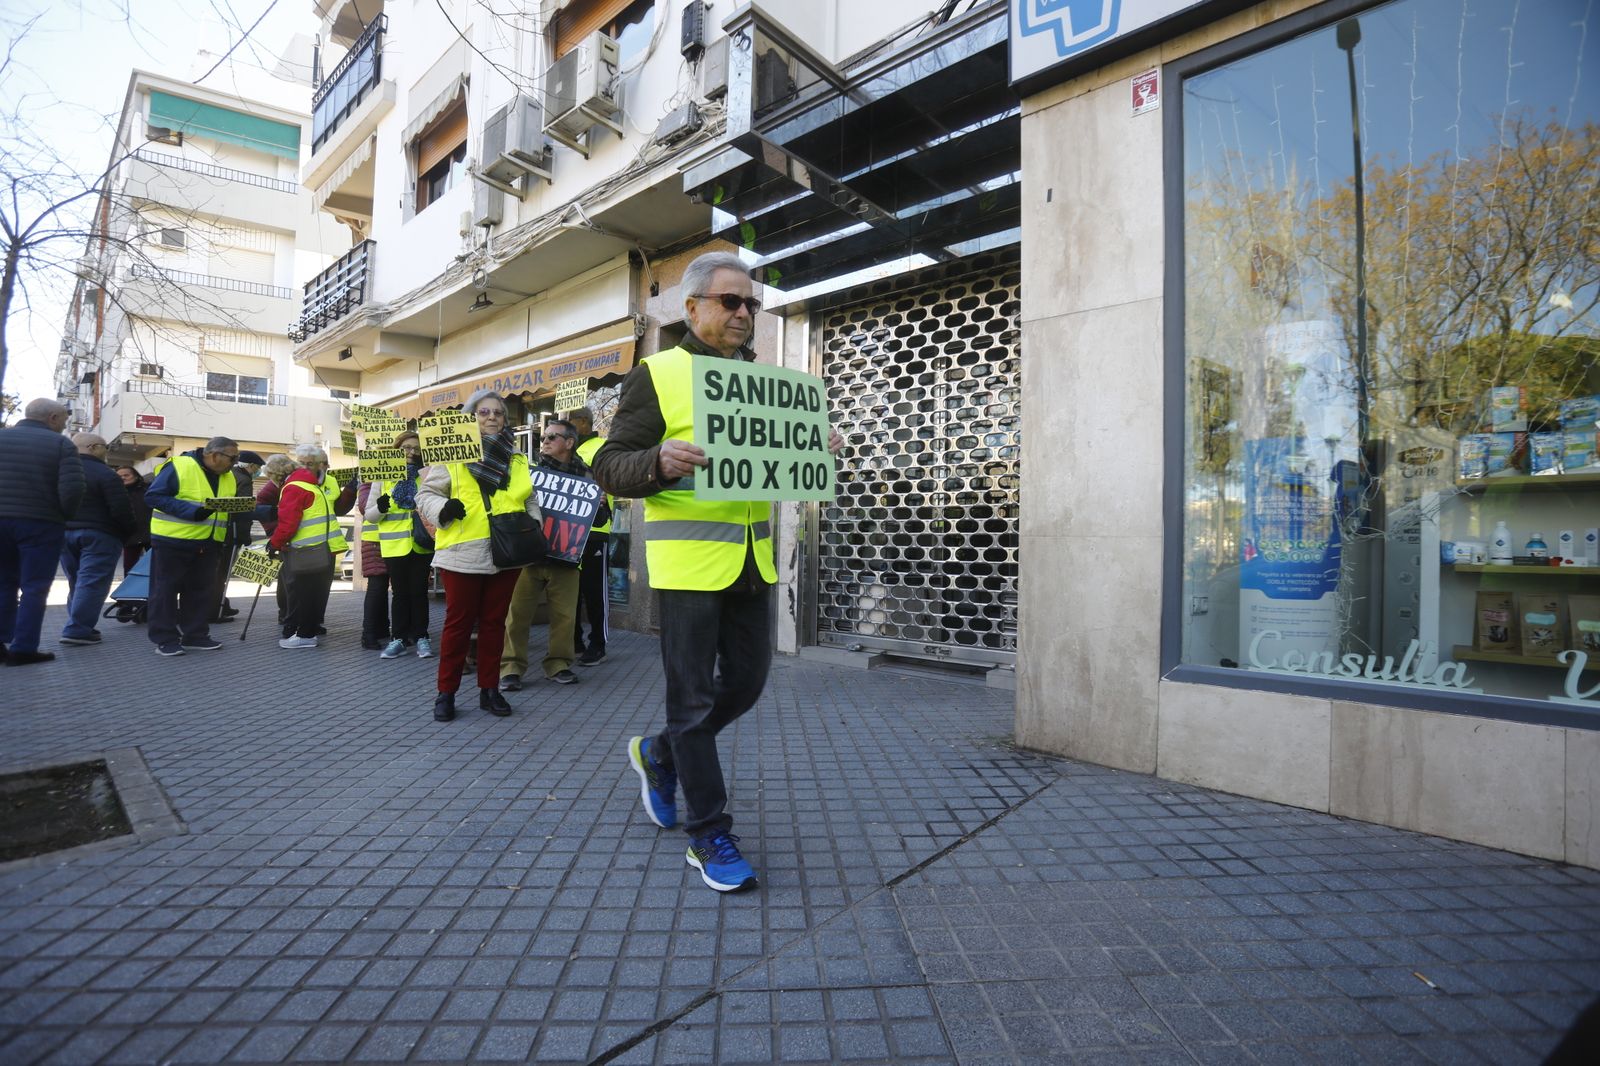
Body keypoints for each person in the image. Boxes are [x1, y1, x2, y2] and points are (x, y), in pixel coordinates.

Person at [593, 251, 843, 893]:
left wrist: (813, 444)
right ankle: (708, 834)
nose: (743, 313)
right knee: (694, 699)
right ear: (694, 307)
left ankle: (660, 753)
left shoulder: (758, 380)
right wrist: (659, 462)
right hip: (688, 568)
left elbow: (771, 466)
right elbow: (610, 465)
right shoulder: (658, 373)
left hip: (753, 563)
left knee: (749, 684)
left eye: (752, 303)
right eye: (731, 301)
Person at [415, 390, 540, 722]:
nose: (492, 417)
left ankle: (489, 690)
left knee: (494, 625)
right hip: (462, 552)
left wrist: (533, 526)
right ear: (471, 418)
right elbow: (425, 494)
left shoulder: (516, 459)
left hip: (508, 552)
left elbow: (530, 499)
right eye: (484, 412)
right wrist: (443, 507)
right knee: (457, 626)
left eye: (498, 412)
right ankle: (446, 693)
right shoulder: (451, 456)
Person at [499, 419, 599, 690]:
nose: (544, 442)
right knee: (517, 615)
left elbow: (600, 518)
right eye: (543, 438)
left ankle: (558, 664)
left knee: (565, 617)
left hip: (566, 558)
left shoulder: (588, 477)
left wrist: (599, 505)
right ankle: (510, 668)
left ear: (569, 443)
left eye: (552, 437)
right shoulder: (530, 474)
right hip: (529, 556)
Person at [0, 399, 84, 666]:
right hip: (40, 523)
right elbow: (72, 489)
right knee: (34, 588)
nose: (64, 425)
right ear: (52, 417)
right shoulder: (61, 445)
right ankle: (23, 648)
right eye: (64, 420)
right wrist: (63, 516)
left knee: (3, 584)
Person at [144, 436, 239, 656]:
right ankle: (165, 639)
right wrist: (192, 512)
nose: (235, 463)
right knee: (165, 591)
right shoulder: (180, 466)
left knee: (200, 591)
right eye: (232, 458)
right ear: (215, 455)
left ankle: (195, 635)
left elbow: (226, 507)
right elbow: (154, 497)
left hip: (209, 542)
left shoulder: (228, 476)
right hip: (173, 541)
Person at [267, 444, 356, 649]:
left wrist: (275, 543)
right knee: (311, 593)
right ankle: (306, 630)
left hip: (304, 549)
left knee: (303, 593)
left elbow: (289, 523)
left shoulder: (294, 487)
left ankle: (305, 635)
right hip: (320, 547)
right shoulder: (310, 485)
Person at [58, 433, 135, 647]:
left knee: (77, 582)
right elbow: (121, 509)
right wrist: (128, 532)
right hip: (100, 535)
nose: (107, 452)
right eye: (105, 447)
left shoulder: (59, 471)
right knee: (91, 583)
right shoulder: (106, 474)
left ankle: (80, 625)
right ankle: (77, 630)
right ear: (93, 447)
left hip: (64, 533)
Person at [372, 431, 434, 659]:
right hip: (394, 546)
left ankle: (421, 638)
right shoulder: (384, 477)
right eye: (407, 447)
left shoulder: (426, 476)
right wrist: (380, 507)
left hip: (420, 543)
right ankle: (398, 639)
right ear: (397, 448)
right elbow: (370, 515)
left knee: (419, 593)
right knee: (399, 594)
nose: (412, 452)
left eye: (417, 449)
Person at [569, 406, 611, 666]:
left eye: (570, 421)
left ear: (583, 422)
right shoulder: (566, 448)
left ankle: (598, 643)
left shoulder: (601, 448)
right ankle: (573, 640)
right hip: (569, 530)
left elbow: (611, 479)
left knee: (595, 592)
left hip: (595, 530)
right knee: (569, 590)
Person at [210, 451, 262, 624]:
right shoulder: (244, 480)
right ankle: (216, 607)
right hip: (231, 533)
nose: (259, 471)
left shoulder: (227, 475)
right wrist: (243, 536)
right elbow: (243, 510)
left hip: (217, 531)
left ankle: (221, 604)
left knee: (214, 571)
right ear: (251, 466)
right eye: (258, 467)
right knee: (221, 573)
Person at [256, 454, 296, 626]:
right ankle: (286, 614)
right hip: (284, 537)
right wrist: (275, 535)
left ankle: (289, 613)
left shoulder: (288, 483)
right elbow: (262, 510)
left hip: (289, 536)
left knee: (289, 580)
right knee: (287, 580)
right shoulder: (271, 489)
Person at [356, 479, 391, 650]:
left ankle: (382, 628)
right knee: (377, 587)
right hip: (375, 542)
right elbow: (364, 506)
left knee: (383, 588)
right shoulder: (367, 484)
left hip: (394, 539)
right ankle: (368, 634)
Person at [115, 465, 150, 578]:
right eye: (120, 476)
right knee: (129, 568)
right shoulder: (114, 492)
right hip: (130, 536)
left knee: (155, 567)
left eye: (126, 475)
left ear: (135, 476)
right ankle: (128, 594)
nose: (123, 478)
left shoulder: (149, 489)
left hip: (152, 535)